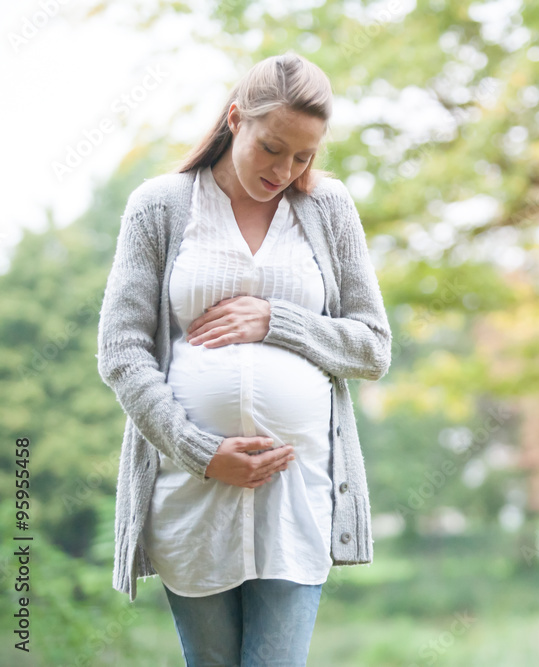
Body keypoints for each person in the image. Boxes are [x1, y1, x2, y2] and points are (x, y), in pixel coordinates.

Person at [96, 51, 392, 666]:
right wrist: (203, 454)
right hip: (191, 492)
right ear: (236, 119)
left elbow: (372, 346)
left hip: (298, 495)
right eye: (271, 148)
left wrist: (275, 320)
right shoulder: (161, 206)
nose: (284, 169)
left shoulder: (328, 209)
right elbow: (121, 352)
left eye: (303, 156)